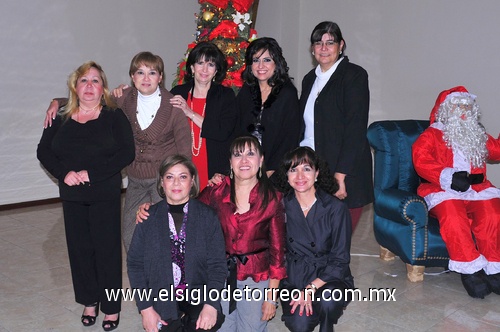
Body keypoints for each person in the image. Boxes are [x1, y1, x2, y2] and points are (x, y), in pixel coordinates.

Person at [43, 52, 191, 252]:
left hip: (164, 180)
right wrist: (57, 101)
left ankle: (166, 281)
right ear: (132, 76)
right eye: (140, 72)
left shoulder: (173, 106)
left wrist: (181, 185)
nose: (146, 78)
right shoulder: (123, 100)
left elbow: (184, 152)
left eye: (152, 72)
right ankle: (141, 280)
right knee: (130, 236)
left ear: (160, 77)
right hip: (136, 181)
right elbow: (89, 97)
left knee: (165, 236)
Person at [137, 136, 286, 331]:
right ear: (230, 162)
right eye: (237, 155)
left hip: (255, 277)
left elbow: (278, 253)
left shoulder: (273, 198)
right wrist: (151, 209)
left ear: (261, 160)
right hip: (218, 275)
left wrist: (271, 298)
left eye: (251, 154)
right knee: (219, 326)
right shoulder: (217, 191)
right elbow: (185, 206)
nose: (244, 161)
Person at [37, 61, 135, 330]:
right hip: (72, 195)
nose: (89, 85)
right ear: (74, 87)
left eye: (95, 80)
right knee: (80, 251)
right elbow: (44, 151)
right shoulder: (59, 117)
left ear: (102, 87)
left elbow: (126, 152)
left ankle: (112, 307)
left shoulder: (114, 116)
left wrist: (92, 173)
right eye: (83, 80)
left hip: (104, 192)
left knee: (106, 250)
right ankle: (89, 301)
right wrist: (64, 173)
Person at [412, 86, 500, 299]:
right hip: (443, 190)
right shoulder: (432, 134)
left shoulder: (477, 134)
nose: (463, 109)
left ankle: (494, 267)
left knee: (492, 214)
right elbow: (420, 159)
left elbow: (496, 151)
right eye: (458, 104)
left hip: (478, 190)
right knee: (454, 216)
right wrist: (447, 176)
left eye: (467, 105)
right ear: (445, 109)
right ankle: (470, 270)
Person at [127, 155, 226, 332]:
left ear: (192, 181)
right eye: (169, 177)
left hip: (198, 296)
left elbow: (217, 265)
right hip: (161, 299)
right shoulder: (148, 217)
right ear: (162, 183)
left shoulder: (208, 216)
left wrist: (211, 305)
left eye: (183, 177)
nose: (176, 183)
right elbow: (135, 264)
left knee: (207, 324)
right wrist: (146, 310)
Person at [299, 21, 373, 232]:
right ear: (312, 49)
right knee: (313, 239)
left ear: (341, 45)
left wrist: (340, 176)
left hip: (344, 173)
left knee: (337, 245)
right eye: (318, 42)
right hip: (313, 170)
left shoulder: (354, 76)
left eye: (330, 42)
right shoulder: (308, 80)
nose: (324, 48)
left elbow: (355, 129)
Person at [276, 146, 353, 332]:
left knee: (328, 300)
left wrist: (311, 288)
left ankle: (327, 324)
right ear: (286, 176)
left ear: (317, 173)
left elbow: (340, 259)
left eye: (307, 169)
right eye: (293, 169)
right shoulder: (280, 206)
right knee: (299, 324)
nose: (300, 176)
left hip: (329, 276)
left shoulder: (336, 208)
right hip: (294, 278)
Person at [170, 41, 237, 188]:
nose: (205, 69)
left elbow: (222, 132)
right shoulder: (178, 93)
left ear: (216, 70)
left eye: (211, 64)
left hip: (215, 172)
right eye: (200, 63)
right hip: (182, 168)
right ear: (192, 67)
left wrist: (190, 113)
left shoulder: (225, 95)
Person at [235, 37, 301, 182]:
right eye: (256, 60)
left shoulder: (287, 93)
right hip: (247, 168)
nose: (261, 65)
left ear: (276, 63)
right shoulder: (246, 91)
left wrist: (272, 169)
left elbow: (289, 137)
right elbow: (237, 130)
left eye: (267, 60)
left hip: (277, 170)